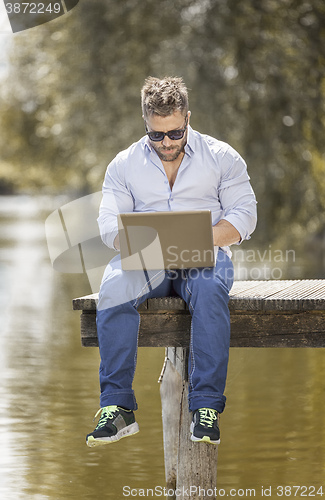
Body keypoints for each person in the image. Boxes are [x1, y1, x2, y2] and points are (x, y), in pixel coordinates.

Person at [86, 76, 257, 447]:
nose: (166, 143)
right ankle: (117, 409)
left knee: (211, 291)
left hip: (205, 259)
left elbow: (244, 216)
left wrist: (195, 238)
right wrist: (132, 242)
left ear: (188, 119)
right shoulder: (124, 164)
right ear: (145, 125)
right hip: (146, 261)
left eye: (175, 133)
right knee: (113, 289)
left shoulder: (222, 157)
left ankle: (206, 408)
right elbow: (107, 224)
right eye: (156, 135)